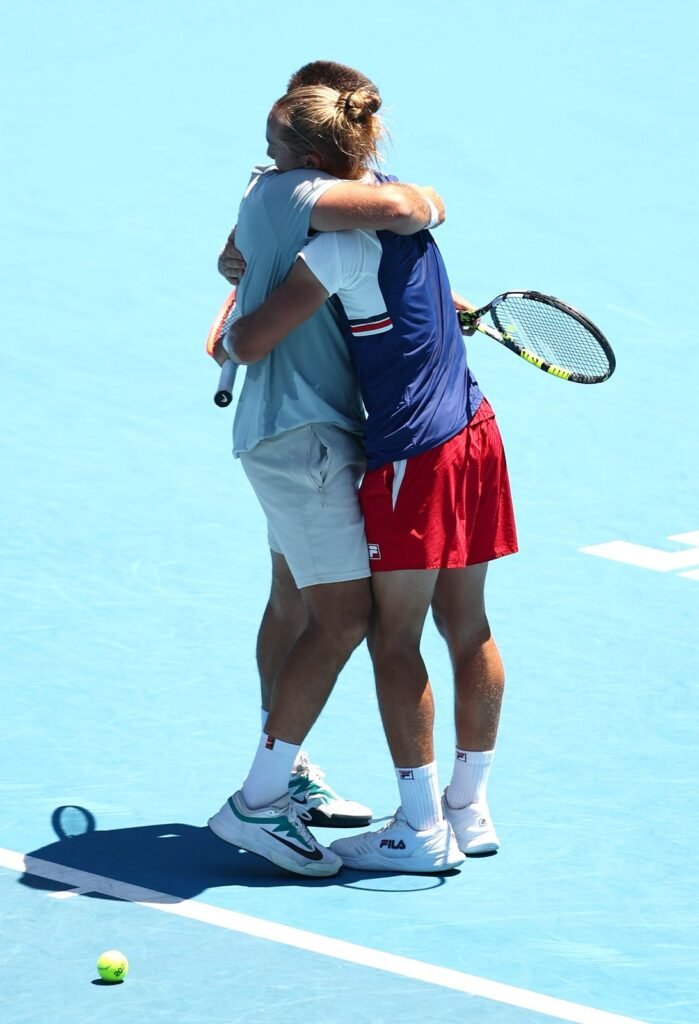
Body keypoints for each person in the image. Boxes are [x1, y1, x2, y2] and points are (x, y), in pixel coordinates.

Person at [215, 83, 519, 874]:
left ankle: (404, 826)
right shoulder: (392, 203)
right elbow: (417, 209)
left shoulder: (331, 240)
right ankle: (466, 805)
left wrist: (230, 325)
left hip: (398, 452)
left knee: (373, 628)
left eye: (277, 157)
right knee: (464, 621)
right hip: (473, 429)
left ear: (312, 169)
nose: (265, 171)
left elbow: (251, 341)